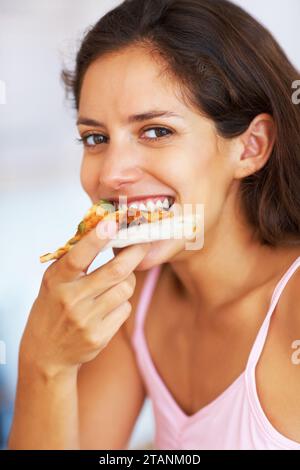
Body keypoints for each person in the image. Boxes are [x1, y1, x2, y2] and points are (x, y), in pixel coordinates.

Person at [8, 0, 300, 449]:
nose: (110, 174)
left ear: (250, 147)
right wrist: (44, 362)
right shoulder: (138, 300)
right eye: (96, 138)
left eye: (156, 131)